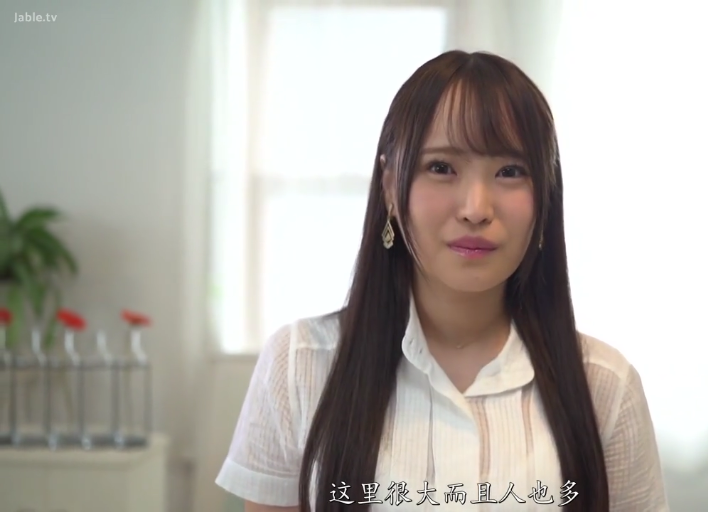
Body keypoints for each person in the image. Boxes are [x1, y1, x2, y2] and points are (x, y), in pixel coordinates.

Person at [215, 50, 669, 512]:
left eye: (510, 172)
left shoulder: (605, 386)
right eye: (441, 168)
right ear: (390, 188)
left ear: (545, 196)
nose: (475, 208)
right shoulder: (300, 365)